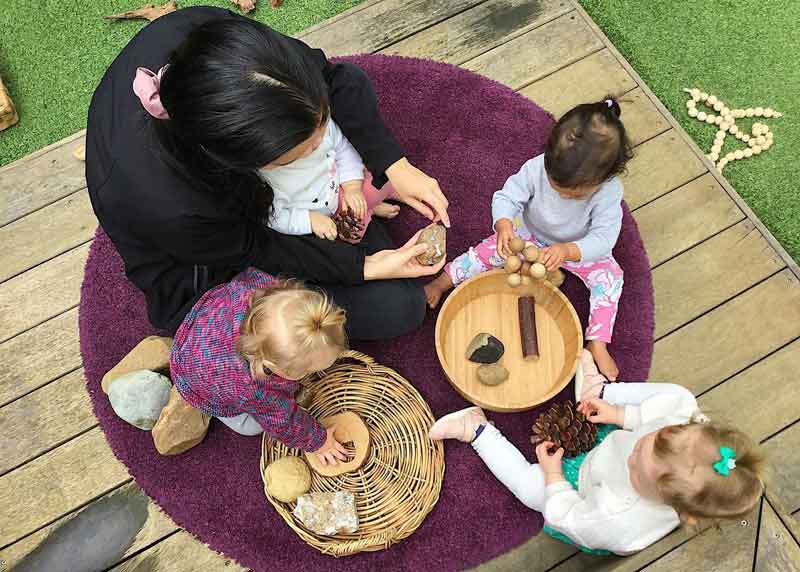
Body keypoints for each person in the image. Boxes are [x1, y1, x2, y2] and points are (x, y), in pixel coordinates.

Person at [86, 7, 449, 337]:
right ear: (245, 165)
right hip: (204, 256)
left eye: (323, 127)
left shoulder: (216, 32)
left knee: (350, 87)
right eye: (300, 152)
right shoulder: (173, 207)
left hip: (252, 205)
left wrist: (392, 163)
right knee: (400, 307)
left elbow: (334, 78)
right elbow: (256, 245)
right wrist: (363, 266)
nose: (321, 146)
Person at [429, 351, 765, 555]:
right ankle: (602, 388)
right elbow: (654, 417)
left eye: (636, 468)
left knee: (532, 492)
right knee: (679, 396)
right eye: (645, 442)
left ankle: (478, 430)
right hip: (611, 449)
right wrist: (620, 416)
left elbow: (566, 516)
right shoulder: (680, 427)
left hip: (585, 487)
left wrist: (554, 477)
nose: (633, 453)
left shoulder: (616, 520)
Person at [424, 97, 633, 379]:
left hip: (576, 247)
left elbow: (605, 237)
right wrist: (505, 224)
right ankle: (442, 281)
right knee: (487, 251)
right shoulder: (537, 168)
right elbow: (507, 196)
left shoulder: (609, 192)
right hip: (528, 234)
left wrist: (569, 250)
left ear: (603, 178)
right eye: (556, 187)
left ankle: (598, 341)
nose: (562, 196)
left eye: (574, 194)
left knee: (611, 277)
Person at [170, 267, 350, 464]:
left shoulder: (266, 292)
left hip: (205, 323)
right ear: (273, 367)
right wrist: (319, 441)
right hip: (194, 380)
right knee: (251, 427)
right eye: (308, 370)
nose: (315, 372)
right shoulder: (251, 387)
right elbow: (284, 423)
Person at [261, 114, 399, 242]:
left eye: (323, 126)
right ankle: (371, 210)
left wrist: (352, 186)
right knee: (353, 233)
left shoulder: (318, 122)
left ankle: (390, 192)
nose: (320, 141)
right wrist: (309, 220)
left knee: (379, 179)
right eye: (310, 145)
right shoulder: (270, 182)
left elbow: (343, 148)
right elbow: (274, 218)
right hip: (326, 213)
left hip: (342, 183)